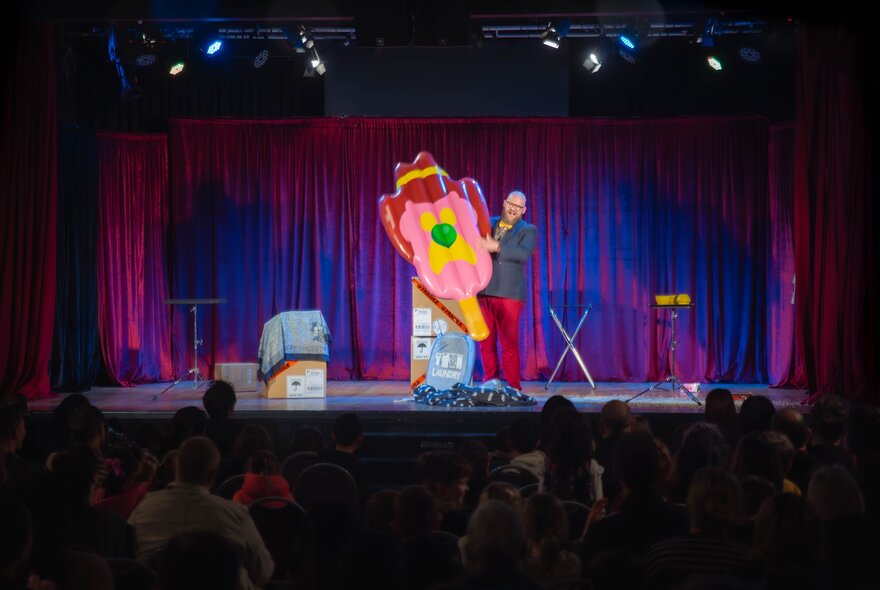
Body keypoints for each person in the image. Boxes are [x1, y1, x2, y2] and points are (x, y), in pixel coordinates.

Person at [477, 190, 537, 392]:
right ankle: (490, 382)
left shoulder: (528, 230)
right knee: (486, 342)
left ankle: (513, 387)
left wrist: (497, 246)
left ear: (524, 210)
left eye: (518, 207)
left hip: (509, 294)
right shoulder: (488, 223)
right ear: (505, 203)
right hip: (484, 291)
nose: (514, 209)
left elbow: (523, 254)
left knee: (509, 344)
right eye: (511, 204)